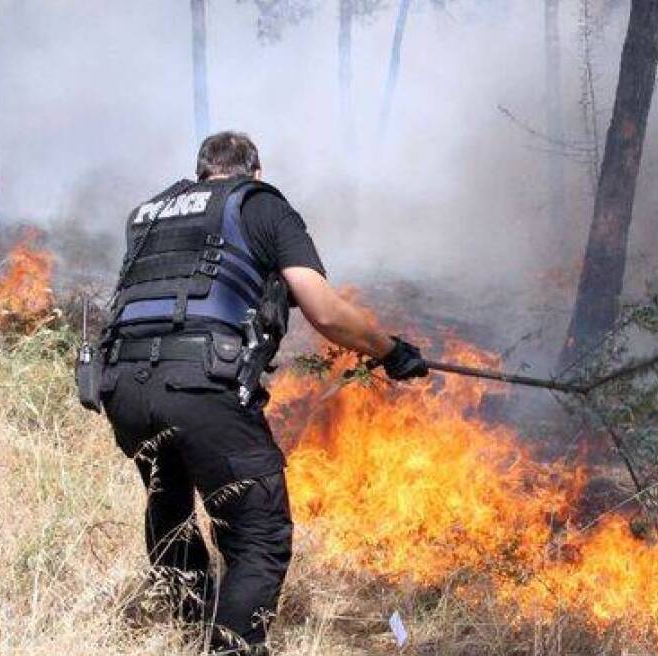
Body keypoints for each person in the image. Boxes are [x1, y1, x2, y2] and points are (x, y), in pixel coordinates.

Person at [97, 131, 428, 655]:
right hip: (202, 387)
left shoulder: (150, 213)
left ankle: (189, 634)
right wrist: (388, 350)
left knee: (170, 503)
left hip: (123, 389)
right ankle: (230, 648)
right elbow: (323, 310)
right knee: (259, 535)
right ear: (255, 170)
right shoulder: (261, 205)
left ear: (201, 171)